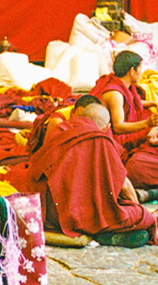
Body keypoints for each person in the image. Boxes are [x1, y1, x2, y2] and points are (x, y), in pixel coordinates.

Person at [29, 103, 156, 243]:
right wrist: (141, 211)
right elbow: (124, 185)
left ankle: (104, 233)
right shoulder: (100, 139)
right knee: (141, 215)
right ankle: (103, 234)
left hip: (47, 215)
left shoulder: (60, 128)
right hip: (80, 217)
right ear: (107, 127)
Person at [89, 50, 158, 189]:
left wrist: (151, 103)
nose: (141, 73)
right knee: (150, 130)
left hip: (125, 127)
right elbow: (119, 126)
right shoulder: (115, 93)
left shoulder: (123, 85)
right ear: (132, 71)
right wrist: (147, 124)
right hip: (117, 138)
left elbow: (131, 101)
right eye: (140, 69)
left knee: (150, 118)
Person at [26, 94, 102, 154]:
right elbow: (47, 153)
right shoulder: (58, 122)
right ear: (72, 112)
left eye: (87, 119)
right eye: (80, 117)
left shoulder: (97, 118)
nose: (84, 122)